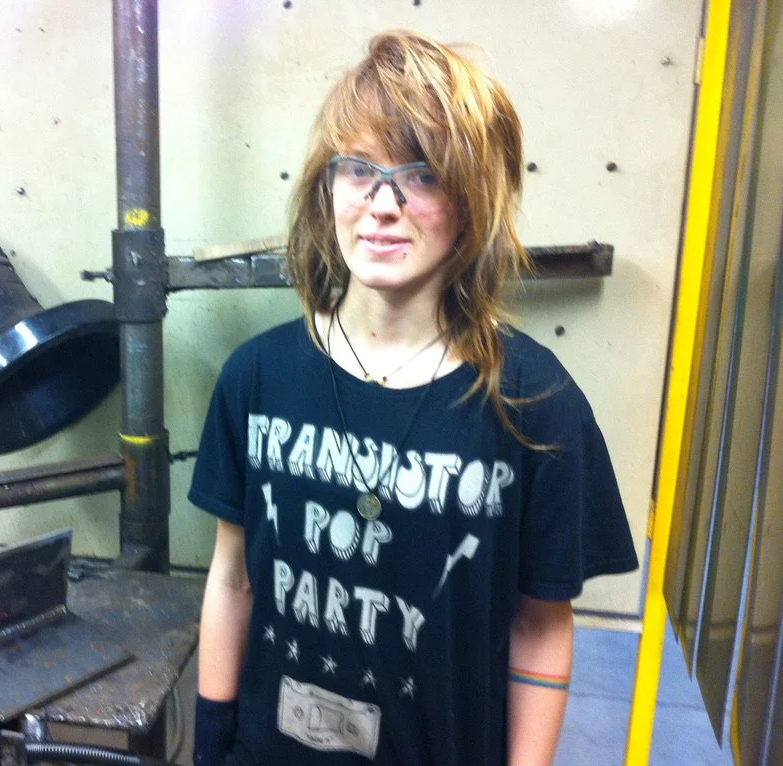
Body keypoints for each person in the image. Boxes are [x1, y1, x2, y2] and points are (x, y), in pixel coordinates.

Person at [188, 29, 638, 766]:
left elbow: (541, 626)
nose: (383, 203)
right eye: (358, 169)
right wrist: (210, 742)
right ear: (325, 188)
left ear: (474, 200)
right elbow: (232, 577)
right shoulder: (256, 376)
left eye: (423, 174)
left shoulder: (536, 405)